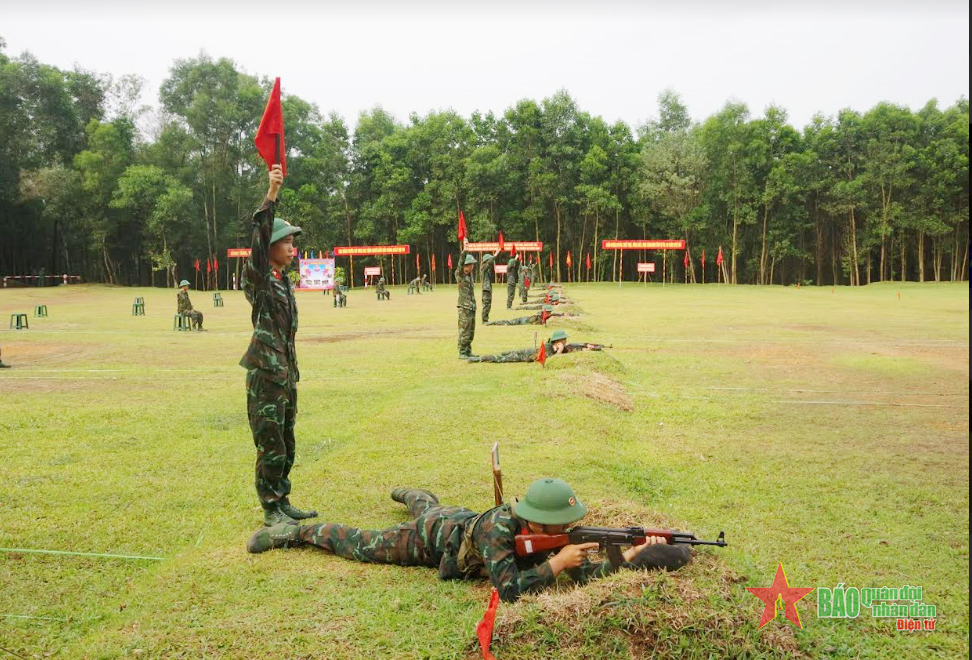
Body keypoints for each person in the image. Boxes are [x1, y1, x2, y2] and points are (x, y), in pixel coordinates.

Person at [247, 478, 691, 603]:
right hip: (430, 540)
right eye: (560, 529)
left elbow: (586, 573)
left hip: (454, 517)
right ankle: (294, 532)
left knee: (428, 503)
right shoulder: (502, 531)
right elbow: (510, 590)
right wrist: (557, 564)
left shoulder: (542, 534)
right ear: (536, 524)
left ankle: (414, 493)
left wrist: (629, 555)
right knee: (360, 542)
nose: (566, 535)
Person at [240, 164, 318, 527]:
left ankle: (282, 499)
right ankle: (270, 508)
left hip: (284, 373)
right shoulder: (258, 278)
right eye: (287, 241)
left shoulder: (281, 281)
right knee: (269, 443)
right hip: (266, 374)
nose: (293, 247)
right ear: (270, 246)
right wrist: (271, 193)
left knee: (285, 441)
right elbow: (257, 234)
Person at [466, 329, 602, 363]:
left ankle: (478, 357)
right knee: (501, 358)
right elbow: (549, 361)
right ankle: (478, 359)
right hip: (524, 355)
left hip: (526, 352)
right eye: (563, 341)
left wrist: (586, 347)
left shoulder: (553, 346)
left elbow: (573, 348)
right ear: (557, 341)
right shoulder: (549, 349)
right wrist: (559, 352)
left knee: (502, 355)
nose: (565, 343)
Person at [455, 246, 478, 359]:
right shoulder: (460, 275)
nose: (472, 266)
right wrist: (464, 250)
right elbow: (460, 264)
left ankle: (468, 351)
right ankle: (462, 352)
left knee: (470, 331)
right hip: (464, 307)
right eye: (470, 264)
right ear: (465, 265)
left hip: (471, 307)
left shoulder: (470, 276)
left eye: (473, 264)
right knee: (464, 330)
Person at [485, 305, 576, 326]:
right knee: (507, 322)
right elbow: (536, 323)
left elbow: (553, 315)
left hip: (524, 320)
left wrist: (563, 315)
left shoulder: (546, 315)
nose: (549, 313)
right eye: (548, 312)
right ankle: (491, 323)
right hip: (521, 321)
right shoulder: (539, 317)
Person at [480, 249, 500, 323]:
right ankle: (484, 320)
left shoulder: (486, 268)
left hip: (488, 288)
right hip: (486, 289)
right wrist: (496, 254)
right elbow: (490, 262)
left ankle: (486, 319)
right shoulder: (483, 267)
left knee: (488, 305)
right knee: (486, 304)